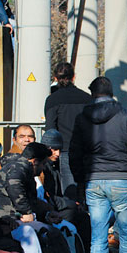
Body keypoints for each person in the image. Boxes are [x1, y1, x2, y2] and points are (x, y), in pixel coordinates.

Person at [70, 76, 127, 253]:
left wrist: (80, 181)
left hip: (93, 179)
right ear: (112, 93)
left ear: (92, 93)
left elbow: (75, 153)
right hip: (122, 178)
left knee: (98, 235)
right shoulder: (125, 115)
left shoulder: (81, 117)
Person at [44, 62, 92, 200]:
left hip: (65, 150)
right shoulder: (87, 98)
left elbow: (50, 128)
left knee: (70, 191)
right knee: (88, 192)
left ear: (55, 78)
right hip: (87, 150)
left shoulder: (52, 100)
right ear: (74, 77)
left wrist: (52, 151)